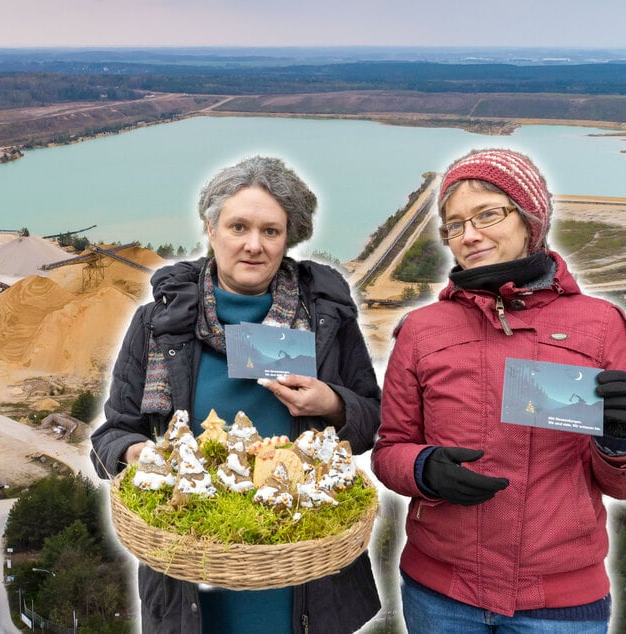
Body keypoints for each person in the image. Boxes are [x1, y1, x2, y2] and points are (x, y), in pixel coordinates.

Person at [90, 156, 382, 634]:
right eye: (238, 226)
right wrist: (139, 453)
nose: (253, 245)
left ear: (290, 237)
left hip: (304, 573)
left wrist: (331, 403)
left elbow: (374, 420)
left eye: (271, 231)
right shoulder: (158, 325)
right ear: (210, 227)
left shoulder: (327, 319)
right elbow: (112, 435)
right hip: (193, 574)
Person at [371, 148, 626, 633]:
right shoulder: (422, 329)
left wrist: (618, 440)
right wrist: (424, 470)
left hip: (560, 603)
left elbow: (619, 484)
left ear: (530, 219)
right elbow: (390, 450)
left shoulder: (601, 326)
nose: (469, 235)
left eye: (487, 214)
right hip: (440, 594)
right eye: (454, 224)